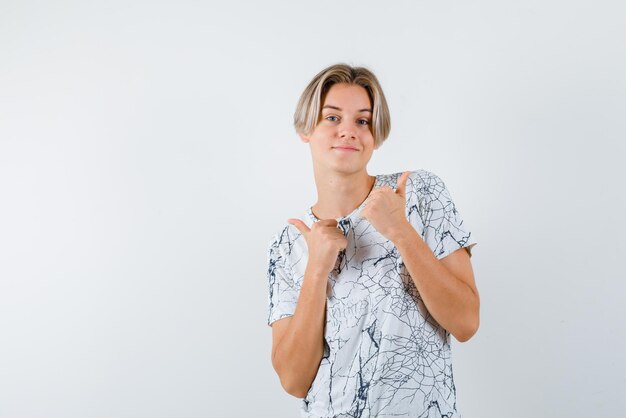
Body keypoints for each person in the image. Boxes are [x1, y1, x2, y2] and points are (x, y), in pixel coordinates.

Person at [266, 63, 479, 417]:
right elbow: (293, 380)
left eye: (362, 121)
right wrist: (317, 269)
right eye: (332, 118)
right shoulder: (288, 244)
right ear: (306, 129)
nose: (348, 131)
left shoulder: (418, 194)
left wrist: (401, 231)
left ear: (375, 135)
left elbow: (466, 323)